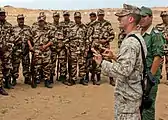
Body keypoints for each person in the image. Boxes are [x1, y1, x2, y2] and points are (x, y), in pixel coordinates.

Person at [93, 4, 147, 120]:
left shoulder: (130, 43)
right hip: (132, 95)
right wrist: (115, 57)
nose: (118, 19)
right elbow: (133, 65)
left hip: (127, 99)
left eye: (122, 17)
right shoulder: (138, 38)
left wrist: (102, 63)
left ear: (131, 19)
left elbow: (123, 71)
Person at [139, 6, 165, 120]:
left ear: (151, 18)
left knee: (148, 105)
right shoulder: (140, 33)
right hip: (140, 74)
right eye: (140, 17)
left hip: (150, 76)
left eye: (144, 16)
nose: (142, 19)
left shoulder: (155, 34)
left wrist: (149, 78)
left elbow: (158, 57)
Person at [90, 9, 115, 85]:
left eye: (102, 15)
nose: (100, 16)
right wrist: (93, 44)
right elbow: (90, 35)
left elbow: (112, 35)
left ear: (103, 15)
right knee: (97, 63)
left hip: (105, 47)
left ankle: (111, 79)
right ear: (97, 15)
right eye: (99, 15)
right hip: (97, 47)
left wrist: (106, 40)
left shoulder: (107, 24)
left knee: (108, 61)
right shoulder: (94, 24)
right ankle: (98, 79)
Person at [28, 15, 54, 88]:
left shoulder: (48, 30)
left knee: (47, 67)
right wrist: (31, 47)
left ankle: (47, 81)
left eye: (42, 21)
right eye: (40, 21)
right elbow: (28, 39)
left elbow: (53, 40)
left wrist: (46, 46)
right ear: (38, 22)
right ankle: (35, 80)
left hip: (46, 50)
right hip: (37, 50)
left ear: (44, 21)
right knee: (36, 67)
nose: (41, 23)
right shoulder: (34, 30)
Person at [68, 12, 88, 85]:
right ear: (74, 18)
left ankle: (82, 79)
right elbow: (68, 39)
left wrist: (86, 50)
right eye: (76, 18)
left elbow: (87, 39)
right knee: (73, 65)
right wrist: (68, 49)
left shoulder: (84, 27)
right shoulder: (71, 27)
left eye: (79, 17)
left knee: (82, 64)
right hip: (73, 50)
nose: (77, 19)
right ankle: (73, 79)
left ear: (80, 18)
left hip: (82, 50)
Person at [11, 14, 32, 86]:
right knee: (15, 65)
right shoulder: (13, 28)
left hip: (25, 50)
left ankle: (27, 78)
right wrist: (16, 40)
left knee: (26, 65)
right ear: (17, 20)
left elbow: (31, 38)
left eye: (22, 19)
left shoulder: (28, 28)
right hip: (16, 51)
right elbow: (10, 38)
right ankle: (14, 79)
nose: (21, 20)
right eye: (19, 19)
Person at [59, 11, 75, 85]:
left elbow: (72, 35)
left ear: (69, 16)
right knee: (62, 61)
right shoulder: (60, 24)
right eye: (65, 15)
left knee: (71, 62)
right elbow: (59, 34)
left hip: (70, 45)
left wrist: (65, 42)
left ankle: (71, 77)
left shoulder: (72, 24)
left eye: (67, 15)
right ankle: (63, 75)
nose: (66, 16)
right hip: (62, 46)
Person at [0, 8, 14, 89]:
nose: (2, 16)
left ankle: (7, 83)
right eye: (0, 14)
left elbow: (12, 37)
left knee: (7, 67)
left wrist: (7, 46)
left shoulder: (9, 26)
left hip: (7, 51)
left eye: (3, 14)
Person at [156, 11, 168, 80]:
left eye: (166, 16)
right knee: (158, 63)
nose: (164, 18)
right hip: (160, 48)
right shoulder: (158, 26)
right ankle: (157, 77)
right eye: (163, 17)